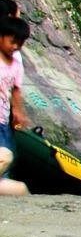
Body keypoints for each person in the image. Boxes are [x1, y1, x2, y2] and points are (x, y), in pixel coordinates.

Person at [0, 15, 30, 196]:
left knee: (6, 157)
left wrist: (18, 112)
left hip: (3, 120)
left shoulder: (15, 64)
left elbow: (16, 90)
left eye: (20, 43)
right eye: (12, 42)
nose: (16, 47)